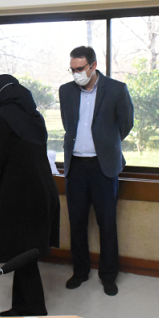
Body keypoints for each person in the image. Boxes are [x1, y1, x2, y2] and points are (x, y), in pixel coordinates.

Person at [0, 75, 60, 316]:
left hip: (22, 196)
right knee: (25, 250)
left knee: (23, 251)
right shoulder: (35, 117)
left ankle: (36, 308)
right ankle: (20, 306)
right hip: (44, 191)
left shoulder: (0, 117)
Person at [59, 46, 134, 296]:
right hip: (76, 166)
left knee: (107, 223)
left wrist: (106, 144)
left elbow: (126, 124)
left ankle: (108, 275)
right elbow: (68, 124)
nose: (76, 74)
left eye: (80, 69)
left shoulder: (116, 89)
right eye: (72, 69)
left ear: (93, 66)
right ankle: (80, 271)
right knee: (77, 222)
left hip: (104, 167)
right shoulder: (66, 91)